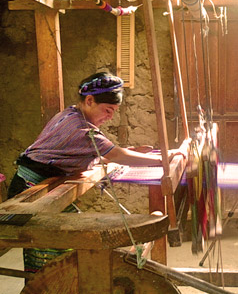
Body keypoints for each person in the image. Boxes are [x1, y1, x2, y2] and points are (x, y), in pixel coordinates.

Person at [8, 71, 182, 275]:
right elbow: (116, 155)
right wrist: (164, 159)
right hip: (30, 191)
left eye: (114, 111)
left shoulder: (71, 114)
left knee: (71, 244)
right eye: (108, 110)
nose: (110, 117)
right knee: (58, 247)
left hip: (40, 182)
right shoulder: (80, 128)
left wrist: (135, 152)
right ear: (89, 100)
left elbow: (100, 154)